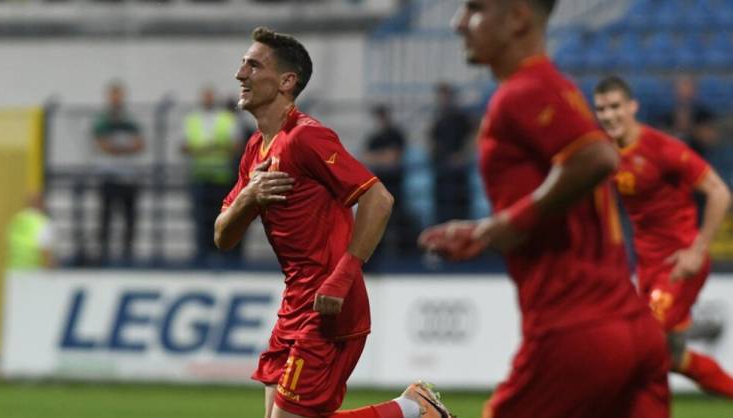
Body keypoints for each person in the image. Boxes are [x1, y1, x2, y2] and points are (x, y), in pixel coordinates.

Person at [419, 1, 669, 417]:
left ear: (517, 18)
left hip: (575, 331)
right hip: (632, 327)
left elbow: (596, 158)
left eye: (475, 9)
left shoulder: (525, 90)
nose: (458, 22)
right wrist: (485, 231)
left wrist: (511, 222)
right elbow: (562, 190)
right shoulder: (553, 88)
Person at [214, 27, 452, 418]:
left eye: (253, 66)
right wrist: (248, 196)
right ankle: (412, 408)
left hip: (330, 303)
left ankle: (413, 410)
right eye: (243, 64)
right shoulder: (255, 149)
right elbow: (223, 237)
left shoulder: (306, 138)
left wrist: (343, 277)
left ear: (287, 81)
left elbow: (379, 198)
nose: (241, 74)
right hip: (294, 303)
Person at [593, 75, 733, 399]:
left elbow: (719, 192)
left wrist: (697, 250)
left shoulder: (662, 149)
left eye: (615, 106)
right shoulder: (605, 152)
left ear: (632, 107)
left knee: (642, 348)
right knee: (674, 358)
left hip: (678, 265)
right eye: (602, 109)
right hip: (647, 267)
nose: (609, 115)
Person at [182, 86, 241, 266]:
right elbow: (184, 146)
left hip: (222, 177)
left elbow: (236, 145)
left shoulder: (226, 119)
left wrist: (203, 149)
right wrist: (215, 147)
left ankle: (223, 254)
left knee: (223, 218)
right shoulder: (192, 120)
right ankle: (203, 253)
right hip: (200, 176)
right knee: (201, 218)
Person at [92, 81, 145, 265]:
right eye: (113, 96)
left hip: (128, 177)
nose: (116, 99)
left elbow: (139, 144)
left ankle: (127, 254)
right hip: (109, 176)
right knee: (106, 217)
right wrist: (124, 148)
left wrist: (116, 148)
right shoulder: (102, 121)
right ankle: (103, 253)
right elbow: (102, 145)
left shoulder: (130, 121)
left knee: (129, 219)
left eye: (119, 95)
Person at [363, 104, 417, 259]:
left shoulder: (395, 134)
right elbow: (366, 158)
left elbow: (393, 158)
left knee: (398, 219)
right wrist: (384, 156)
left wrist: (378, 157)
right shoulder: (374, 137)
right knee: (379, 220)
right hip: (380, 185)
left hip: (395, 184)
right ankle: (379, 254)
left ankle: (403, 254)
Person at [429, 82, 473, 223]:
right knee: (443, 204)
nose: (443, 98)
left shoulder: (460, 116)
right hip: (441, 166)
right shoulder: (437, 117)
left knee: (459, 205)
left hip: (458, 167)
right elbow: (432, 140)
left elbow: (470, 137)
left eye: (445, 95)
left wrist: (463, 155)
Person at [661, 75, 718, 160]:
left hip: (698, 158)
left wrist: (688, 128)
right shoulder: (666, 114)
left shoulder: (704, 114)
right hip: (673, 159)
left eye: (687, 88)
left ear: (695, 91)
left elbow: (711, 139)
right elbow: (660, 139)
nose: (684, 92)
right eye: (681, 88)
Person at [6, 193, 56, 270]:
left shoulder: (17, 220)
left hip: (13, 269)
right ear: (41, 204)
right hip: (33, 271)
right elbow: (45, 251)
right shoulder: (42, 222)